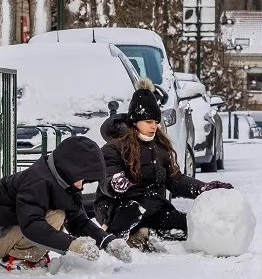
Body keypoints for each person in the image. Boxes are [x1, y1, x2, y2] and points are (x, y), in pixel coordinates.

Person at [96, 78, 233, 251]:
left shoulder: (160, 146)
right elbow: (106, 176)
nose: (153, 126)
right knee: (133, 210)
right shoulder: (114, 147)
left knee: (186, 226)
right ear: (135, 121)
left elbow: (175, 179)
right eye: (148, 122)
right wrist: (114, 183)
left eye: (155, 122)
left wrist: (202, 188)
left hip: (154, 208)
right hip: (119, 209)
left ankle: (147, 234)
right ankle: (119, 240)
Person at [0, 135, 133, 271]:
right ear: (70, 169)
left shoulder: (62, 182)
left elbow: (78, 221)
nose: (82, 186)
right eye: (82, 179)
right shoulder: (36, 182)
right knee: (57, 216)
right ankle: (16, 258)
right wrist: (72, 245)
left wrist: (107, 241)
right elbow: (31, 224)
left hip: (13, 232)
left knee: (59, 214)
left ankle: (25, 254)